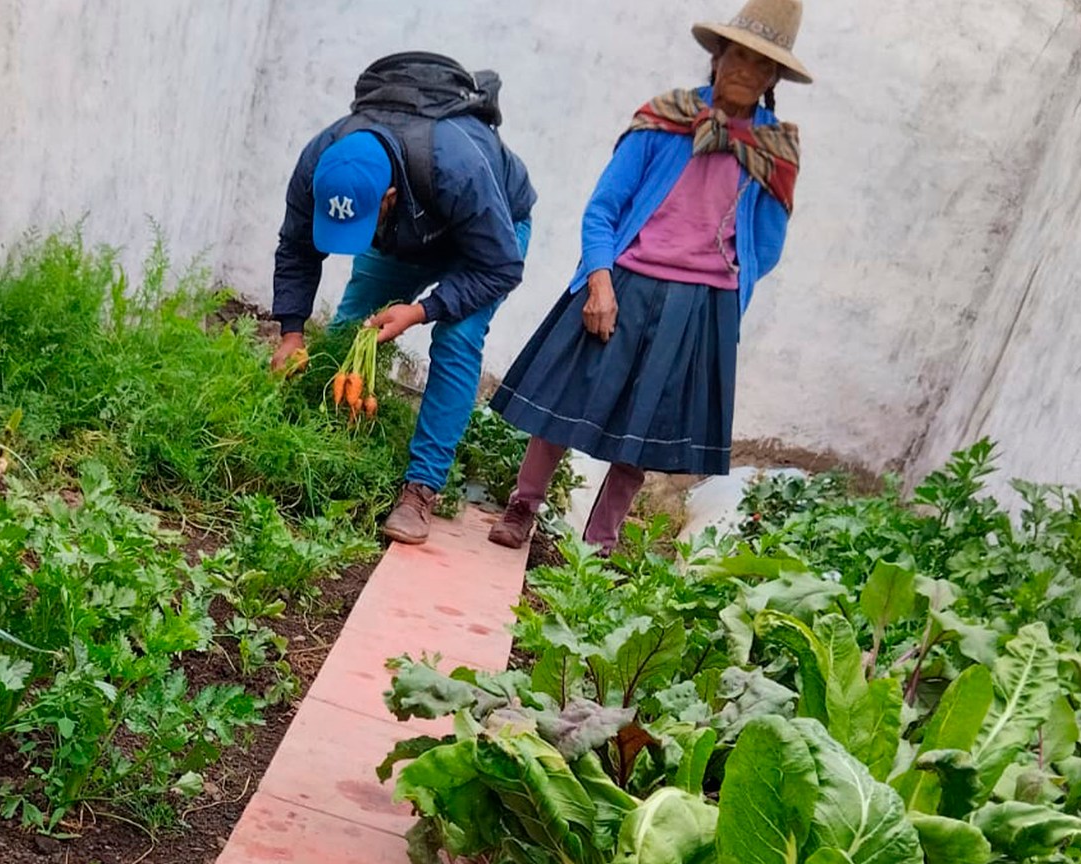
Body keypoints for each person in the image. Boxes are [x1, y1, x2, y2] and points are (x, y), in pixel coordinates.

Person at [487, 0, 809, 555]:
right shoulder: (665, 118)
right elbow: (603, 209)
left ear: (772, 77)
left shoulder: (773, 151)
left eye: (760, 65)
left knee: (646, 427)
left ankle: (601, 541)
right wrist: (600, 279)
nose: (744, 70)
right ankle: (523, 507)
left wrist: (728, 284)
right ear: (716, 57)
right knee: (563, 406)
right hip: (627, 280)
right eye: (736, 55)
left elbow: (768, 244)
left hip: (703, 302)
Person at [269, 56, 535, 545]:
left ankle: (421, 489)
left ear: (387, 196)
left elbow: (500, 267)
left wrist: (423, 310)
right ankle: (326, 439)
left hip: (486, 241)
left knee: (456, 338)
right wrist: (291, 331)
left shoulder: (458, 166)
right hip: (407, 232)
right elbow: (296, 246)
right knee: (353, 325)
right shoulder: (319, 161)